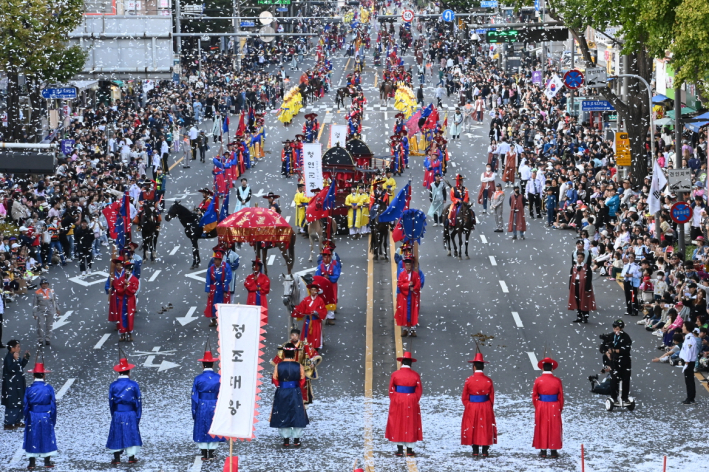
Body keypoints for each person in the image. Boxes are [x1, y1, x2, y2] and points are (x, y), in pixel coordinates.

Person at [270, 342, 309, 447]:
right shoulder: (299, 366)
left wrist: (281, 385)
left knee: (283, 412)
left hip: (282, 391)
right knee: (297, 413)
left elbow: (275, 379)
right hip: (295, 391)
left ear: (284, 353)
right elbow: (302, 380)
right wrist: (296, 386)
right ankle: (296, 439)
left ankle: (286, 440)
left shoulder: (278, 366)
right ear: (294, 354)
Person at [106, 353, 142, 465]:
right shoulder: (134, 384)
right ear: (129, 371)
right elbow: (138, 401)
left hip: (118, 412)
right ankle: (131, 457)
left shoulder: (113, 385)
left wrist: (114, 413)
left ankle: (117, 458)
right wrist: (138, 415)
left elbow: (111, 401)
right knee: (131, 432)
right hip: (130, 412)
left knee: (117, 433)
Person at [385, 352, 423, 457]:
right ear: (411, 364)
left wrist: (394, 398)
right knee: (410, 423)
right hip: (411, 399)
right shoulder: (415, 375)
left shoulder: (395, 374)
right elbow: (419, 390)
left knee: (398, 422)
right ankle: (410, 449)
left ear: (402, 362)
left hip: (398, 399)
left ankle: (400, 450)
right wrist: (414, 399)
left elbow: (391, 388)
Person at [23, 355, 57, 469]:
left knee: (32, 436)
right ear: (44, 375)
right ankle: (47, 461)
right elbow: (53, 405)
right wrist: (53, 418)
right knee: (46, 435)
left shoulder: (29, 388)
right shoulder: (49, 388)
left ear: (33, 375)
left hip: (33, 415)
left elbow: (25, 405)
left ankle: (32, 463)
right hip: (46, 415)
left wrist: (27, 416)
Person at [271, 329, 322, 405]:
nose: (293, 337)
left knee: (302, 386)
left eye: (295, 335)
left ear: (299, 336)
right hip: (288, 370)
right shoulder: (286, 345)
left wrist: (313, 363)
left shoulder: (305, 345)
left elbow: (313, 355)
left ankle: (302, 403)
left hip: (301, 369)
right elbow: (279, 358)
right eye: (292, 335)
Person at [191, 345, 224, 461]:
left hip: (202, 404)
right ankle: (212, 451)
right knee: (213, 426)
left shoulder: (198, 379)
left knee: (202, 427)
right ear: (213, 364)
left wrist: (194, 411)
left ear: (202, 365)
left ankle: (204, 452)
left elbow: (194, 396)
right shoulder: (219, 377)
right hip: (215, 403)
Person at [461, 351, 496, 458]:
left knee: (473, 426)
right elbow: (492, 397)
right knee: (485, 426)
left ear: (474, 367)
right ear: (483, 367)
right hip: (485, 405)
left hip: (472, 405)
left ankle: (475, 449)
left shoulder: (469, 380)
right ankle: (485, 450)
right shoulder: (488, 380)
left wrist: (469, 404)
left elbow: (464, 396)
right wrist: (488, 406)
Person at [532, 357, 564, 458]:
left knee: (542, 426)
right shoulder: (557, 381)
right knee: (554, 427)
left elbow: (534, 395)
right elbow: (561, 396)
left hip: (542, 404)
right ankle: (553, 451)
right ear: (552, 369)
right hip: (554, 405)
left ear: (542, 368)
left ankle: (543, 451)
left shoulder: (538, 380)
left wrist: (538, 405)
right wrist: (559, 407)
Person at [2, 340, 31, 430]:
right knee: (12, 402)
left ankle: (17, 421)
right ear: (12, 348)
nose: (19, 348)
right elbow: (11, 369)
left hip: (18, 383)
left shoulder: (15, 356)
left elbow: (20, 366)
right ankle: (9, 423)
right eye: (17, 346)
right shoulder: (9, 358)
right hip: (11, 385)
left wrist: (25, 358)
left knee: (19, 401)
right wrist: (15, 360)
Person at [291, 284, 327, 350]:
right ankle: (306, 349)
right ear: (310, 290)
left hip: (316, 321)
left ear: (317, 291)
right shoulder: (306, 299)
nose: (313, 291)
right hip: (308, 321)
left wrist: (317, 313)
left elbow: (323, 310)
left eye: (314, 290)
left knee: (315, 336)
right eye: (312, 290)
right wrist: (294, 307)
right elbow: (301, 308)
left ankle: (315, 350)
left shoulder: (320, 300)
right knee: (306, 336)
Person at [204, 249, 232, 328]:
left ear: (220, 260)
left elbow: (228, 278)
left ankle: (223, 319)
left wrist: (225, 290)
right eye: (215, 259)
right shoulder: (211, 269)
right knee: (213, 304)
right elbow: (208, 279)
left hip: (222, 287)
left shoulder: (225, 268)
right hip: (214, 288)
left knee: (223, 304)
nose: (216, 261)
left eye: (217, 259)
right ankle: (213, 320)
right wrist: (208, 290)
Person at [113, 262, 140, 342]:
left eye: (128, 270)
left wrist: (127, 287)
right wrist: (123, 289)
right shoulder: (121, 279)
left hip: (130, 300)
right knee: (122, 317)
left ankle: (129, 334)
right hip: (123, 300)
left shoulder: (134, 280)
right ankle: (122, 334)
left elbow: (134, 290)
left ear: (131, 271)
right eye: (126, 270)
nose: (126, 271)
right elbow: (117, 288)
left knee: (130, 317)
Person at [608, 320, 632, 406]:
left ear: (621, 329)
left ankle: (624, 397)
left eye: (617, 329)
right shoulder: (611, 336)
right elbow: (604, 347)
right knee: (614, 380)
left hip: (625, 361)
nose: (615, 330)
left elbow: (626, 350)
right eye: (614, 328)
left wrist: (614, 350)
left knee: (626, 379)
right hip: (614, 361)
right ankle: (614, 397)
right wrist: (607, 352)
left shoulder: (626, 337)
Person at [395, 258, 421, 338]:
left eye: (409, 264)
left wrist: (414, 288)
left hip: (412, 296)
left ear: (411, 265)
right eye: (406, 264)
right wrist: (407, 285)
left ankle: (413, 329)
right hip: (404, 296)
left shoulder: (415, 274)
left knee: (413, 312)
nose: (408, 266)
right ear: (404, 266)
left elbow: (418, 283)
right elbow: (399, 284)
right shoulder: (402, 274)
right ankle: (405, 329)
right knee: (403, 312)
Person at [315, 248, 341, 325]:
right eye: (325, 256)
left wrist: (329, 277)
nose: (326, 258)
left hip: (331, 286)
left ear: (330, 257)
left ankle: (330, 318)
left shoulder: (334, 266)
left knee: (331, 301)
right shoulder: (320, 267)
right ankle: (322, 316)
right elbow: (316, 277)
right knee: (322, 301)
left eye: (328, 256)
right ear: (322, 257)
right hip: (323, 287)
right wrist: (322, 279)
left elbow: (336, 276)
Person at [32, 279, 60, 347]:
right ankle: (40, 339)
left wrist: (57, 309)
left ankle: (48, 339)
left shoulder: (51, 291)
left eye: (45, 284)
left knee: (49, 325)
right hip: (41, 310)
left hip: (50, 310)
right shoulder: (37, 292)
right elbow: (35, 304)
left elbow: (55, 301)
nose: (44, 285)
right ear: (41, 285)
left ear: (48, 284)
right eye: (43, 284)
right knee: (40, 325)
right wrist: (35, 313)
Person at [568, 253, 596, 323]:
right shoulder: (574, 267)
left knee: (584, 301)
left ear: (583, 258)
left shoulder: (587, 267)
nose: (579, 258)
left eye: (581, 257)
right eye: (578, 257)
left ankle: (585, 317)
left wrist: (587, 288)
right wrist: (570, 286)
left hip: (584, 285)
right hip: (576, 285)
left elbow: (589, 278)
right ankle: (579, 316)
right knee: (577, 300)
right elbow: (571, 277)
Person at [244, 259, 271, 324]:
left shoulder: (264, 277)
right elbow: (248, 286)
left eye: (257, 266)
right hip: (252, 297)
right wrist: (256, 284)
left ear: (260, 267)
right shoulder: (249, 277)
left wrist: (256, 287)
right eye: (254, 266)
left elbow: (266, 288)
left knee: (260, 314)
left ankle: (259, 327)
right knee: (252, 314)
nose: (255, 268)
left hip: (261, 297)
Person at [679, 321, 699, 404]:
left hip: (689, 362)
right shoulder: (688, 337)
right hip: (688, 361)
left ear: (687, 327)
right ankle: (690, 397)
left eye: (683, 326)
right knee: (688, 380)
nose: (682, 327)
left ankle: (690, 398)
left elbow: (689, 352)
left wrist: (686, 362)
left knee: (689, 380)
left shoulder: (690, 339)